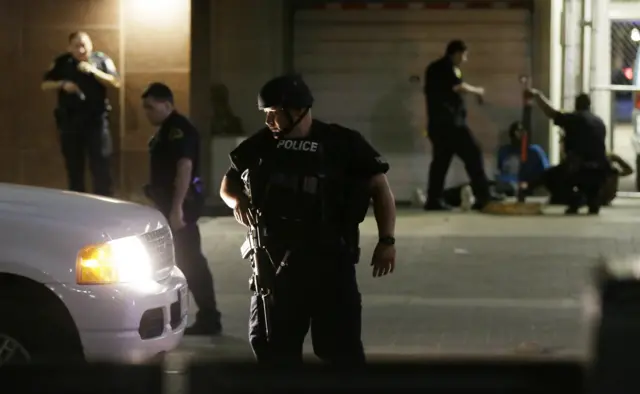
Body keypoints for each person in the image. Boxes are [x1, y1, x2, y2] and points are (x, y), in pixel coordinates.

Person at [219, 74, 396, 365]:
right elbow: (228, 183)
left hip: (331, 265)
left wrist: (386, 240)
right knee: (274, 352)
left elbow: (380, 189)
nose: (269, 122)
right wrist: (238, 201)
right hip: (276, 268)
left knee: (341, 353)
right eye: (266, 114)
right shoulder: (262, 145)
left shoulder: (342, 143)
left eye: (274, 113)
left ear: (297, 110)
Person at [142, 82, 222, 336]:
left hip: (180, 205)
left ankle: (210, 317)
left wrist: (177, 209)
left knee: (191, 261)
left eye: (151, 107)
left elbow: (184, 168)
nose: (147, 112)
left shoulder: (179, 129)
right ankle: (188, 315)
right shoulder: (166, 130)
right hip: (168, 204)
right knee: (178, 262)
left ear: (167, 104)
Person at [41, 31, 119, 196]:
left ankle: (105, 206)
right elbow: (45, 84)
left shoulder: (101, 60)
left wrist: (93, 71)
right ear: (70, 48)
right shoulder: (62, 62)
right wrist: (62, 84)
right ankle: (77, 207)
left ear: (91, 45)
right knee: (74, 168)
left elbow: (115, 82)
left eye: (84, 45)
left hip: (96, 122)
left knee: (101, 167)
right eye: (77, 46)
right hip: (70, 122)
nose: (81, 50)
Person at [423, 39, 492, 211]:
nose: (465, 59)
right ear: (456, 53)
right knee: (473, 153)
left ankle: (434, 199)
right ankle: (483, 196)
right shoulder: (443, 67)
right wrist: (478, 91)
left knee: (441, 162)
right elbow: (457, 87)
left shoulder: (441, 68)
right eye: (464, 55)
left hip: (439, 126)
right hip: (450, 125)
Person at [526, 90, 609, 214]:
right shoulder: (599, 121)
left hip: (581, 167)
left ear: (576, 105)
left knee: (549, 177)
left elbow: (551, 112)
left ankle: (574, 200)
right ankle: (592, 200)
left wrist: (538, 95)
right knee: (587, 179)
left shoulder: (574, 118)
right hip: (601, 169)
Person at [441, 121, 550, 208]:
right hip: (500, 181)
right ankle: (446, 196)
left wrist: (529, 185)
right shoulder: (505, 150)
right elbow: (498, 170)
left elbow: (546, 175)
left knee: (498, 189)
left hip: (516, 185)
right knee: (479, 185)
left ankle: (474, 200)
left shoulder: (534, 151)